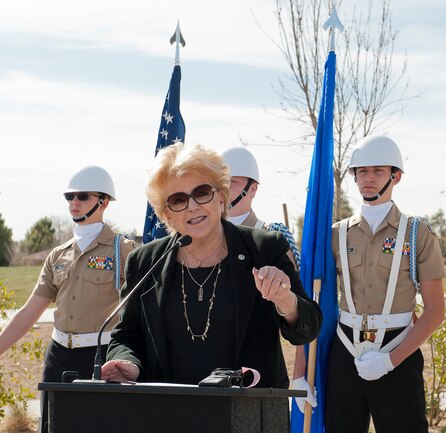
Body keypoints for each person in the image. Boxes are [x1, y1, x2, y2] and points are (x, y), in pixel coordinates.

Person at [101, 143, 321, 394]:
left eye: (202, 192)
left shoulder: (263, 249)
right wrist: (128, 362)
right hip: (167, 416)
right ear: (167, 215)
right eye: (178, 200)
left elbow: (308, 329)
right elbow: (126, 336)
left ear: (221, 197)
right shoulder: (145, 262)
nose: (192, 206)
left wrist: (286, 300)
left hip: (247, 416)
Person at [0, 165, 137, 433]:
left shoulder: (124, 250)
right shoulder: (58, 255)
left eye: (82, 196)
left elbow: (137, 315)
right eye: (69, 197)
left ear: (103, 202)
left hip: (100, 357)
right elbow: (28, 312)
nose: (73, 203)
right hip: (58, 356)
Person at [294, 135, 446, 433]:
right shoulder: (336, 234)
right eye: (361, 172)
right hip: (345, 350)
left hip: (398, 351)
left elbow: (435, 312)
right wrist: (300, 374)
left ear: (396, 176)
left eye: (378, 171)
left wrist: (390, 361)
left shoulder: (417, 233)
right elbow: (313, 300)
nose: (369, 178)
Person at [221, 146, 301, 267]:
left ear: (252, 189)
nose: (223, 189)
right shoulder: (201, 236)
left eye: (231, 182)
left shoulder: (273, 240)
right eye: (219, 183)